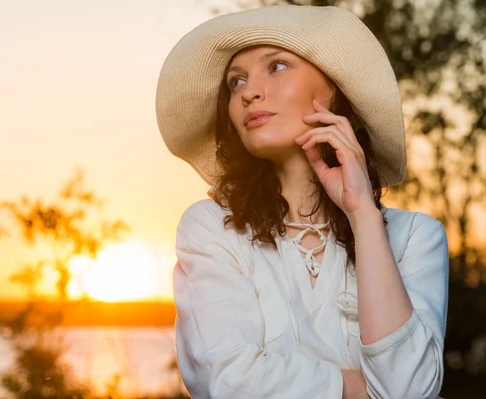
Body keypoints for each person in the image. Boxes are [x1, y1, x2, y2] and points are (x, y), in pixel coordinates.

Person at [155, 3, 449, 399]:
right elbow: (230, 381)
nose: (249, 92)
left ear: (332, 87)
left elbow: (413, 388)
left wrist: (362, 215)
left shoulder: (416, 237)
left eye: (276, 66)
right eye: (236, 81)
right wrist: (365, 390)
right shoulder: (210, 227)